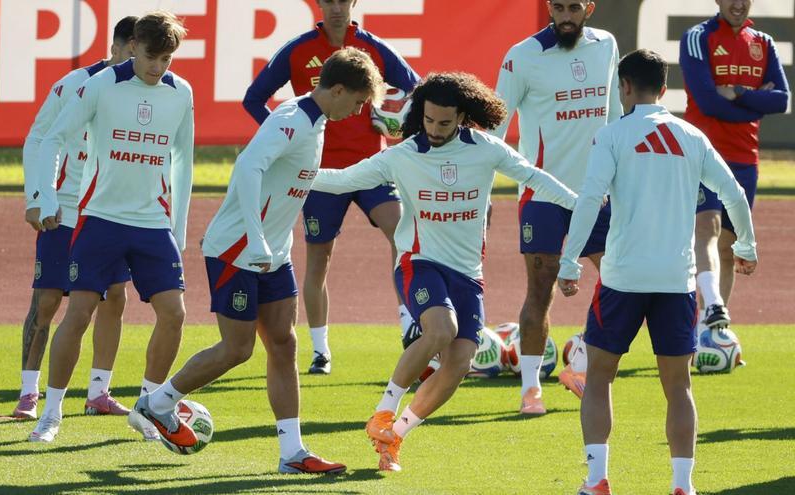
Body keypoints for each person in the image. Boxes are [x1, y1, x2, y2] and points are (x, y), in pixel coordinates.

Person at [130, 47, 383, 474]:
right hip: (236, 249)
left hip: (272, 253)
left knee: (284, 345)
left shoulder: (315, 122)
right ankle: (156, 402)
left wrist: (370, 173)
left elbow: (300, 177)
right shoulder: (290, 119)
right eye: (357, 102)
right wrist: (256, 237)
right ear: (337, 89)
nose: (358, 111)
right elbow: (248, 167)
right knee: (238, 348)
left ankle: (292, 454)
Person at [314, 73, 578, 472]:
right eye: (429, 120)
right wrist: (290, 175)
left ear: (462, 117)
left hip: (468, 274)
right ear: (421, 114)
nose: (435, 130)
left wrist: (584, 203)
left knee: (457, 365)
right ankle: (384, 412)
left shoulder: (486, 149)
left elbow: (534, 177)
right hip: (420, 262)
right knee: (441, 330)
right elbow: (344, 179)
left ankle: (395, 435)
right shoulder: (402, 155)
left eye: (445, 123)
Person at [558, 49, 757, 495]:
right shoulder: (692, 136)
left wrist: (570, 261)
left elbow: (589, 200)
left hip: (622, 280)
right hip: (676, 282)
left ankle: (597, 481)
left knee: (599, 380)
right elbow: (734, 194)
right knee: (678, 386)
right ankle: (682, 486)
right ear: (664, 89)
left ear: (624, 86)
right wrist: (746, 245)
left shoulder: (611, 136)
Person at [28, 11, 194, 443]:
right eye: (152, 57)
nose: (158, 67)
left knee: (175, 314)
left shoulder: (181, 93)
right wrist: (45, 196)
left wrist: (179, 226)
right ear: (133, 46)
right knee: (79, 313)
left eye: (168, 60)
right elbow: (53, 137)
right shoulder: (100, 85)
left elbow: (183, 162)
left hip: (152, 223)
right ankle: (51, 413)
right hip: (100, 220)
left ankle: (150, 408)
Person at [243, 0, 420, 374]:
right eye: (328, 0)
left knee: (403, 230)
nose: (336, 8)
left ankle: (410, 322)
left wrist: (393, 124)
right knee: (319, 260)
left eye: (343, 0)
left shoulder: (373, 46)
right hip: (320, 174)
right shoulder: (298, 49)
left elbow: (416, 88)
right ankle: (321, 351)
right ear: (319, 4)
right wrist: (282, 139)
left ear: (353, 3)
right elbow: (253, 98)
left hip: (372, 167)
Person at [491, 0, 623, 411]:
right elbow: (495, 129)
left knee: (622, 282)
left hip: (597, 193)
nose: (566, 16)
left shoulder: (606, 45)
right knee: (540, 289)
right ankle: (531, 388)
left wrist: (625, 180)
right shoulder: (521, 56)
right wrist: (480, 193)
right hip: (543, 195)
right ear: (550, 7)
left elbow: (616, 115)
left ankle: (579, 358)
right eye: (559, 7)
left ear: (589, 7)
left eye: (574, 8)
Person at [15, 15, 138, 421]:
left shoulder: (144, 94)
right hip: (64, 211)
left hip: (109, 213)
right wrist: (39, 195)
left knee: (115, 298)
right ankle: (28, 393)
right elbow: (38, 138)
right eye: (133, 52)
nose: (140, 62)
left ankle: (99, 392)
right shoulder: (73, 84)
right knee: (47, 300)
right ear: (117, 48)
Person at [680, 0, 788, 330]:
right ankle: (709, 311)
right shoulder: (697, 37)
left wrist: (737, 92)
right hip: (704, 155)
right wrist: (756, 101)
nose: (738, 4)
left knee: (727, 248)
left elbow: (782, 100)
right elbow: (708, 101)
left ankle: (710, 331)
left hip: (745, 159)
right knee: (706, 229)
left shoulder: (763, 43)